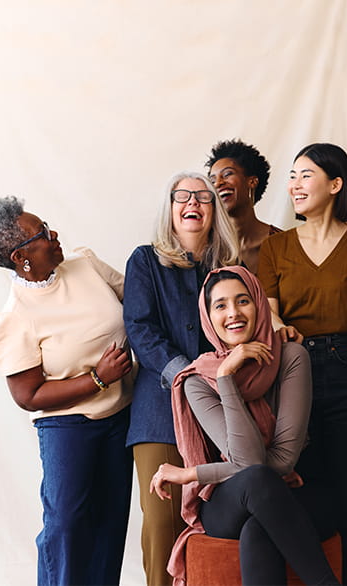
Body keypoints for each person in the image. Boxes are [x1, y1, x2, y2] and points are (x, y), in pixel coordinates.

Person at [0, 196, 135, 586]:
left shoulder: (85, 265)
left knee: (111, 522)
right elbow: (28, 395)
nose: (54, 234)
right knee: (67, 526)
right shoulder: (14, 318)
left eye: (47, 226)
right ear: (21, 256)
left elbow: (138, 302)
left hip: (123, 415)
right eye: (43, 234)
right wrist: (97, 378)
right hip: (68, 427)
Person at [255, 142, 347, 585]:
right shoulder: (276, 248)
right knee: (304, 492)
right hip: (293, 373)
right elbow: (267, 311)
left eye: (305, 175)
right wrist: (279, 325)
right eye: (292, 176)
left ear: (335, 185)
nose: (295, 185)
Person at [149, 266, 339, 586]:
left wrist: (191, 474)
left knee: (258, 528)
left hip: (295, 490)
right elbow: (252, 464)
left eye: (243, 301)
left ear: (260, 305)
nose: (233, 313)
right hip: (227, 500)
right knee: (256, 480)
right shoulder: (198, 380)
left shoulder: (291, 357)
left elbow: (282, 462)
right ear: (208, 317)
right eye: (220, 305)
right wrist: (225, 377)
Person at [123, 172, 242, 586]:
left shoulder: (230, 268)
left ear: (215, 211)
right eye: (182, 196)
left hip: (219, 411)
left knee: (213, 526)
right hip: (158, 412)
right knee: (162, 524)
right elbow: (140, 328)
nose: (193, 203)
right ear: (170, 208)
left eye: (203, 197)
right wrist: (185, 373)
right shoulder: (145, 261)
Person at [206, 139, 283, 269]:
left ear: (252, 182)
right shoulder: (206, 247)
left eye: (227, 174)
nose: (218, 183)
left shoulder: (282, 243)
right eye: (212, 181)